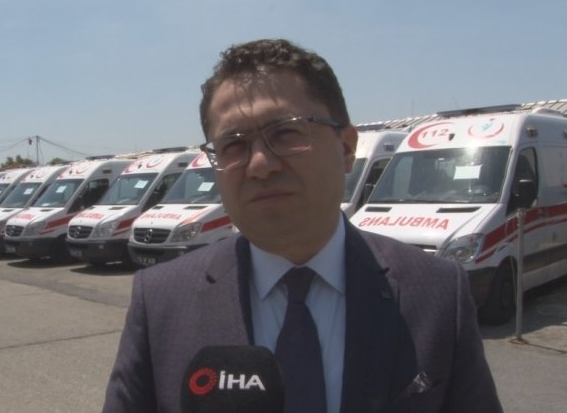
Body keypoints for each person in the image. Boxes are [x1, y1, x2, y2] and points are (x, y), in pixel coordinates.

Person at [102, 38, 502, 413]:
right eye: (234, 145)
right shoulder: (160, 300)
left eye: (285, 132)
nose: (260, 165)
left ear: (346, 147)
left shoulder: (438, 292)